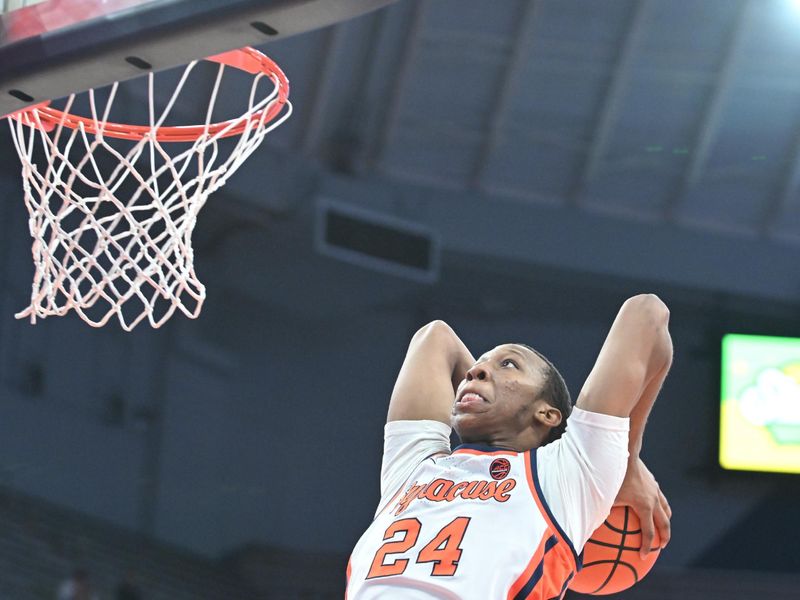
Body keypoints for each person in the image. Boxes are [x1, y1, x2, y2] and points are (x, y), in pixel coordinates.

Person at [346, 294, 673, 599]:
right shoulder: (416, 465)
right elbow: (434, 337)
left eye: (509, 364)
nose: (475, 371)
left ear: (547, 413)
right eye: (477, 369)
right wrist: (484, 387)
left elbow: (648, 313)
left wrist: (625, 462)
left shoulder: (563, 476)